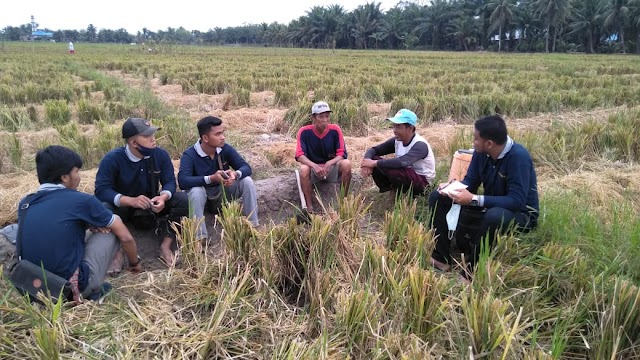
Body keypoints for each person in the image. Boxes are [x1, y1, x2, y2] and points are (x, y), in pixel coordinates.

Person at [18, 146, 141, 302]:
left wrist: (87, 225)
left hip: (30, 289)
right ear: (64, 177)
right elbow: (125, 237)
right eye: (76, 171)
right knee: (113, 228)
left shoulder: (26, 203)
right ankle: (91, 291)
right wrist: (134, 263)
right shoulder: (81, 200)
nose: (79, 177)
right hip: (66, 291)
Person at [429, 114, 539, 282]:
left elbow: (516, 201)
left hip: (521, 214)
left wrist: (474, 199)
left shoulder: (518, 157)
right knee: (438, 196)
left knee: (494, 215)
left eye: (475, 138)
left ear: (489, 143)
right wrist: (452, 187)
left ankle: (471, 272)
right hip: (492, 206)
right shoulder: (482, 154)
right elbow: (470, 182)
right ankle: (441, 257)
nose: (473, 142)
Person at [95, 118, 188, 266]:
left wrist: (163, 197)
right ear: (133, 143)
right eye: (146, 136)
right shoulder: (112, 159)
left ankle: (165, 245)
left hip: (152, 205)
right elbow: (101, 190)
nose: (153, 139)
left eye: (153, 134)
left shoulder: (160, 155)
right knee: (103, 208)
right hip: (123, 207)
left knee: (183, 199)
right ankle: (116, 252)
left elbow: (170, 181)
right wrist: (129, 200)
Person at [178, 116, 259, 241]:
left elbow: (246, 167)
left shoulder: (225, 149)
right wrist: (211, 178)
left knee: (246, 181)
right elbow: (183, 181)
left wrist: (235, 174)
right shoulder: (190, 155)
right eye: (218, 134)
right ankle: (200, 238)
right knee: (196, 191)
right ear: (205, 138)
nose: (223, 137)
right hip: (203, 199)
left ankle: (253, 226)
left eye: (223, 133)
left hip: (222, 194)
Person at [360, 109, 435, 197]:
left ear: (410, 128)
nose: (394, 130)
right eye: (394, 126)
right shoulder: (397, 140)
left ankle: (407, 196)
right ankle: (392, 190)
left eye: (398, 127)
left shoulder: (420, 145)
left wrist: (374, 163)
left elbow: (402, 162)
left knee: (392, 168)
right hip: (407, 175)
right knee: (375, 159)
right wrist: (367, 161)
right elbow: (374, 150)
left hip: (422, 183)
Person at [295, 101, 352, 213]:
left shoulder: (335, 130)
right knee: (303, 169)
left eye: (327, 116)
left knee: (347, 164)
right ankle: (309, 207)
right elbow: (299, 155)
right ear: (313, 118)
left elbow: (341, 154)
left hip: (331, 168)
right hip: (314, 169)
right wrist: (314, 166)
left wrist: (329, 163)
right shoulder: (304, 132)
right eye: (321, 117)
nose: (325, 120)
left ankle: (343, 201)